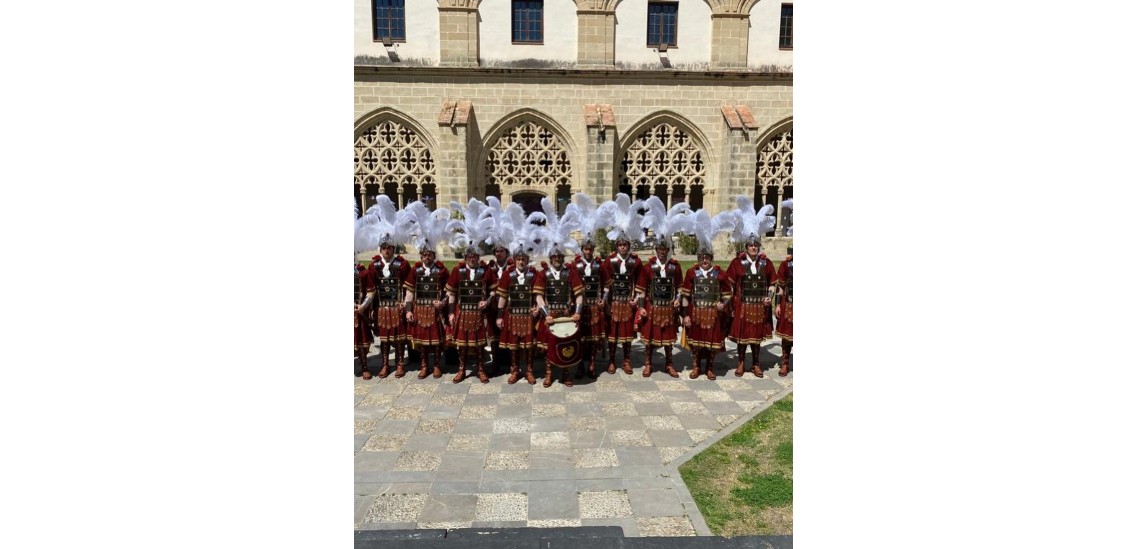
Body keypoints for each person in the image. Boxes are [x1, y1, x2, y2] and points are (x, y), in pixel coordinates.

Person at [445, 246, 498, 383]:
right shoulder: (458, 270)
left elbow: (494, 290)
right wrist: (451, 313)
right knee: (462, 344)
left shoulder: (487, 271)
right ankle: (461, 369)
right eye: (469, 256)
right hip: (462, 312)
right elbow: (452, 293)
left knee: (479, 344)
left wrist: (487, 301)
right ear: (465, 258)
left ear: (478, 257)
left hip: (479, 313)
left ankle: (481, 369)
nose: (472, 259)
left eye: (474, 256)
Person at [535, 247, 585, 387]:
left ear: (563, 257)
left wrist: (577, 312)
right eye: (554, 256)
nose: (557, 258)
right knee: (547, 347)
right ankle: (549, 373)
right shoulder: (543, 274)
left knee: (566, 344)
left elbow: (579, 295)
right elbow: (539, 296)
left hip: (566, 316)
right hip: (550, 316)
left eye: (559, 256)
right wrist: (546, 315)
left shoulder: (570, 273)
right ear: (550, 258)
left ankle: (566, 373)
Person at [635, 238, 683, 378]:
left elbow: (680, 287)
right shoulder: (648, 267)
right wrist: (641, 307)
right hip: (652, 307)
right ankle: (648, 363)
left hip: (668, 307)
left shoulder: (675, 267)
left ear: (668, 250)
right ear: (656, 250)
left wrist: (677, 300)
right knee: (649, 338)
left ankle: (669, 363)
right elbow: (642, 289)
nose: (662, 252)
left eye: (664, 249)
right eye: (659, 249)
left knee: (669, 338)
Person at [681, 245, 730, 380]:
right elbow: (685, 296)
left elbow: (727, 295)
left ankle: (709, 367)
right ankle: (696, 366)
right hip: (695, 312)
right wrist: (685, 315)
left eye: (707, 257)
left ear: (711, 258)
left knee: (711, 343)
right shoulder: (691, 273)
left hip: (713, 314)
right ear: (698, 258)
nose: (704, 260)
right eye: (702, 257)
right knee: (696, 343)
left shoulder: (720, 274)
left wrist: (723, 304)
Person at [495, 248, 541, 384]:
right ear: (514, 260)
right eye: (519, 259)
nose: (521, 262)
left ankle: (529, 371)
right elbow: (502, 296)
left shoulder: (534, 274)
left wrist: (538, 309)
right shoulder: (507, 274)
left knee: (529, 346)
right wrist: (499, 316)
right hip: (512, 314)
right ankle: (514, 371)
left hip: (528, 315)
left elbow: (538, 295)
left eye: (523, 259)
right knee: (513, 346)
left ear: (527, 260)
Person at [403, 246, 449, 379]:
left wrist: (443, 303)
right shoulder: (415, 270)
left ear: (434, 256)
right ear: (421, 256)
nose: (427, 257)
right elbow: (410, 291)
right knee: (422, 341)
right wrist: (408, 310)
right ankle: (424, 366)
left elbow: (449, 292)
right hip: (420, 310)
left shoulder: (442, 270)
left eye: (429, 255)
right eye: (424, 255)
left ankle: (436, 365)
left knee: (436, 341)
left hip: (435, 311)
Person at [368, 238, 411, 378]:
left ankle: (400, 364)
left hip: (397, 307)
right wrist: (373, 308)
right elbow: (371, 289)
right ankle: (385, 364)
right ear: (380, 249)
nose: (387, 250)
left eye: (390, 247)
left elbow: (409, 286)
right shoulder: (373, 266)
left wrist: (405, 304)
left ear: (393, 248)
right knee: (384, 338)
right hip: (381, 307)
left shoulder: (403, 265)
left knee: (399, 337)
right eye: (384, 247)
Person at [572, 240, 610, 379]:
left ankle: (592, 363)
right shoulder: (575, 265)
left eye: (590, 249)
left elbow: (606, 284)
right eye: (586, 249)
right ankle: (580, 365)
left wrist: (604, 300)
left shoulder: (599, 265)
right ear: (582, 249)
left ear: (593, 249)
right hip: (580, 307)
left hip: (595, 306)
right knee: (580, 337)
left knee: (594, 337)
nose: (588, 252)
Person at [604, 237, 642, 375]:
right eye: (620, 244)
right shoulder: (610, 261)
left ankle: (626, 361)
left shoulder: (635, 261)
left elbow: (640, 282)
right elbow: (605, 282)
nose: (622, 247)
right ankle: (612, 361)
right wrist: (605, 302)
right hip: (614, 302)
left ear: (628, 245)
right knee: (612, 334)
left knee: (627, 334)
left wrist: (636, 299)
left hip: (628, 303)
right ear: (616, 246)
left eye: (625, 244)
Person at [774, 246, 793, 377]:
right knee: (787, 336)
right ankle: (785, 363)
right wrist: (777, 305)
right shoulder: (786, 264)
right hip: (790, 302)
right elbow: (780, 286)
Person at [355, 263, 375, 379]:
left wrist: (363, 306)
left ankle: (364, 367)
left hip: (358, 311)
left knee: (361, 341)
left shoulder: (363, 272)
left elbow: (371, 292)